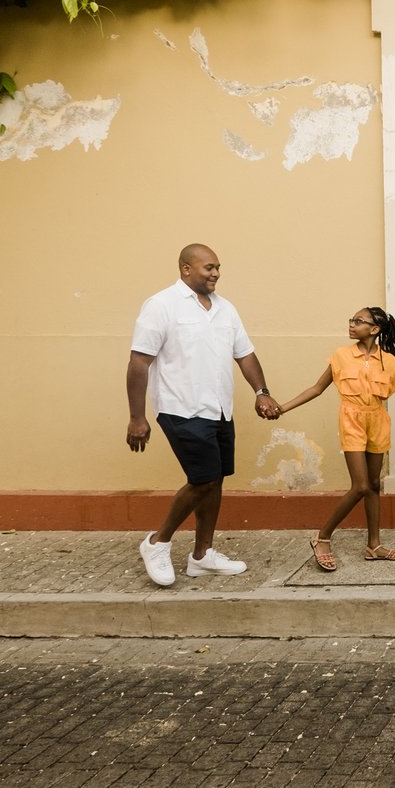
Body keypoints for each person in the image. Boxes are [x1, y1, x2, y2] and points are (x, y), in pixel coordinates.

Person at [124, 243, 280, 587]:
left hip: (220, 408)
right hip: (180, 407)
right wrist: (137, 417)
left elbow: (246, 354)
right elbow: (139, 361)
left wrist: (261, 392)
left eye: (218, 267)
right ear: (186, 269)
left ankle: (201, 556)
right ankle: (157, 542)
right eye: (209, 267)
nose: (216, 273)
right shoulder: (161, 305)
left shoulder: (225, 309)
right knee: (204, 479)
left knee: (216, 479)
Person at [272, 305, 395, 571]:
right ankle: (322, 536)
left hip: (377, 421)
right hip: (351, 419)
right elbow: (316, 389)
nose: (352, 324)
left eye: (358, 321)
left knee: (373, 485)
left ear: (374, 329)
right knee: (360, 485)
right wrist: (283, 407)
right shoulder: (341, 356)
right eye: (351, 320)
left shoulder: (389, 362)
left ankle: (374, 546)